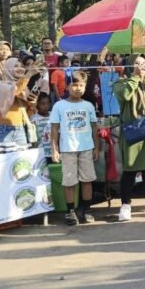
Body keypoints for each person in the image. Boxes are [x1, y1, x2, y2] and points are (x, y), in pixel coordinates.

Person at [113, 54, 145, 222]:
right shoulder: (121, 83)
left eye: (144, 63)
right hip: (132, 130)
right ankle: (125, 204)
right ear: (130, 66)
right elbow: (124, 96)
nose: (141, 66)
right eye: (137, 63)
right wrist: (135, 77)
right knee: (130, 169)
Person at [50, 71, 100, 226]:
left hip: (86, 148)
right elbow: (54, 129)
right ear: (67, 86)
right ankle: (70, 212)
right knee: (69, 182)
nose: (78, 88)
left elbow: (94, 128)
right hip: (67, 149)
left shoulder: (88, 105)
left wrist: (96, 147)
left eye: (81, 85)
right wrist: (54, 149)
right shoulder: (59, 106)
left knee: (87, 180)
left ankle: (87, 209)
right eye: (74, 84)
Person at [0, 57, 36, 144]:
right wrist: (29, 74)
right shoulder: (1, 85)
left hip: (20, 130)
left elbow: (30, 110)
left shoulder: (24, 87)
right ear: (7, 68)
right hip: (1, 130)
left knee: (21, 157)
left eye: (22, 66)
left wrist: (33, 102)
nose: (20, 68)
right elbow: (14, 90)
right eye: (15, 66)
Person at [31, 92, 53, 163]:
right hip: (40, 152)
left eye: (47, 103)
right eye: (42, 104)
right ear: (37, 104)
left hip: (53, 151)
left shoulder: (54, 116)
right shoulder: (34, 119)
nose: (45, 106)